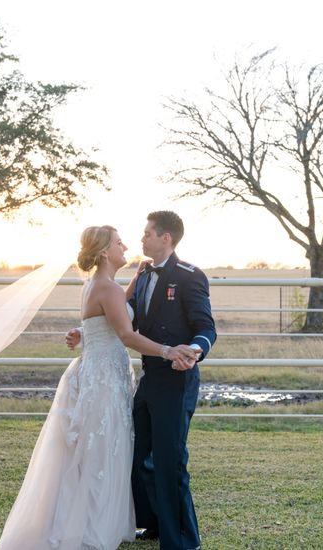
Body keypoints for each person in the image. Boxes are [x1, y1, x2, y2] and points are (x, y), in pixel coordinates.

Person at [0, 225, 198, 550]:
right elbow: (127, 335)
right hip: (103, 380)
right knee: (102, 451)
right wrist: (168, 350)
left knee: (102, 448)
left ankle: (98, 518)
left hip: (100, 374)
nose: (126, 246)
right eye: (119, 243)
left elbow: (110, 312)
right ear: (105, 252)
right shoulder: (107, 289)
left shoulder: (101, 285)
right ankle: (92, 524)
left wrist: (85, 328)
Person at [67, 211, 216, 550]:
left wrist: (191, 351)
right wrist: (84, 329)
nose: (141, 239)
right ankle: (151, 522)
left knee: (170, 458)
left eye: (147, 233)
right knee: (137, 455)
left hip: (176, 378)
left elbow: (207, 328)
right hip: (148, 377)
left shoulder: (190, 277)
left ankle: (182, 539)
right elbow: (117, 314)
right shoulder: (144, 274)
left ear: (166, 238)